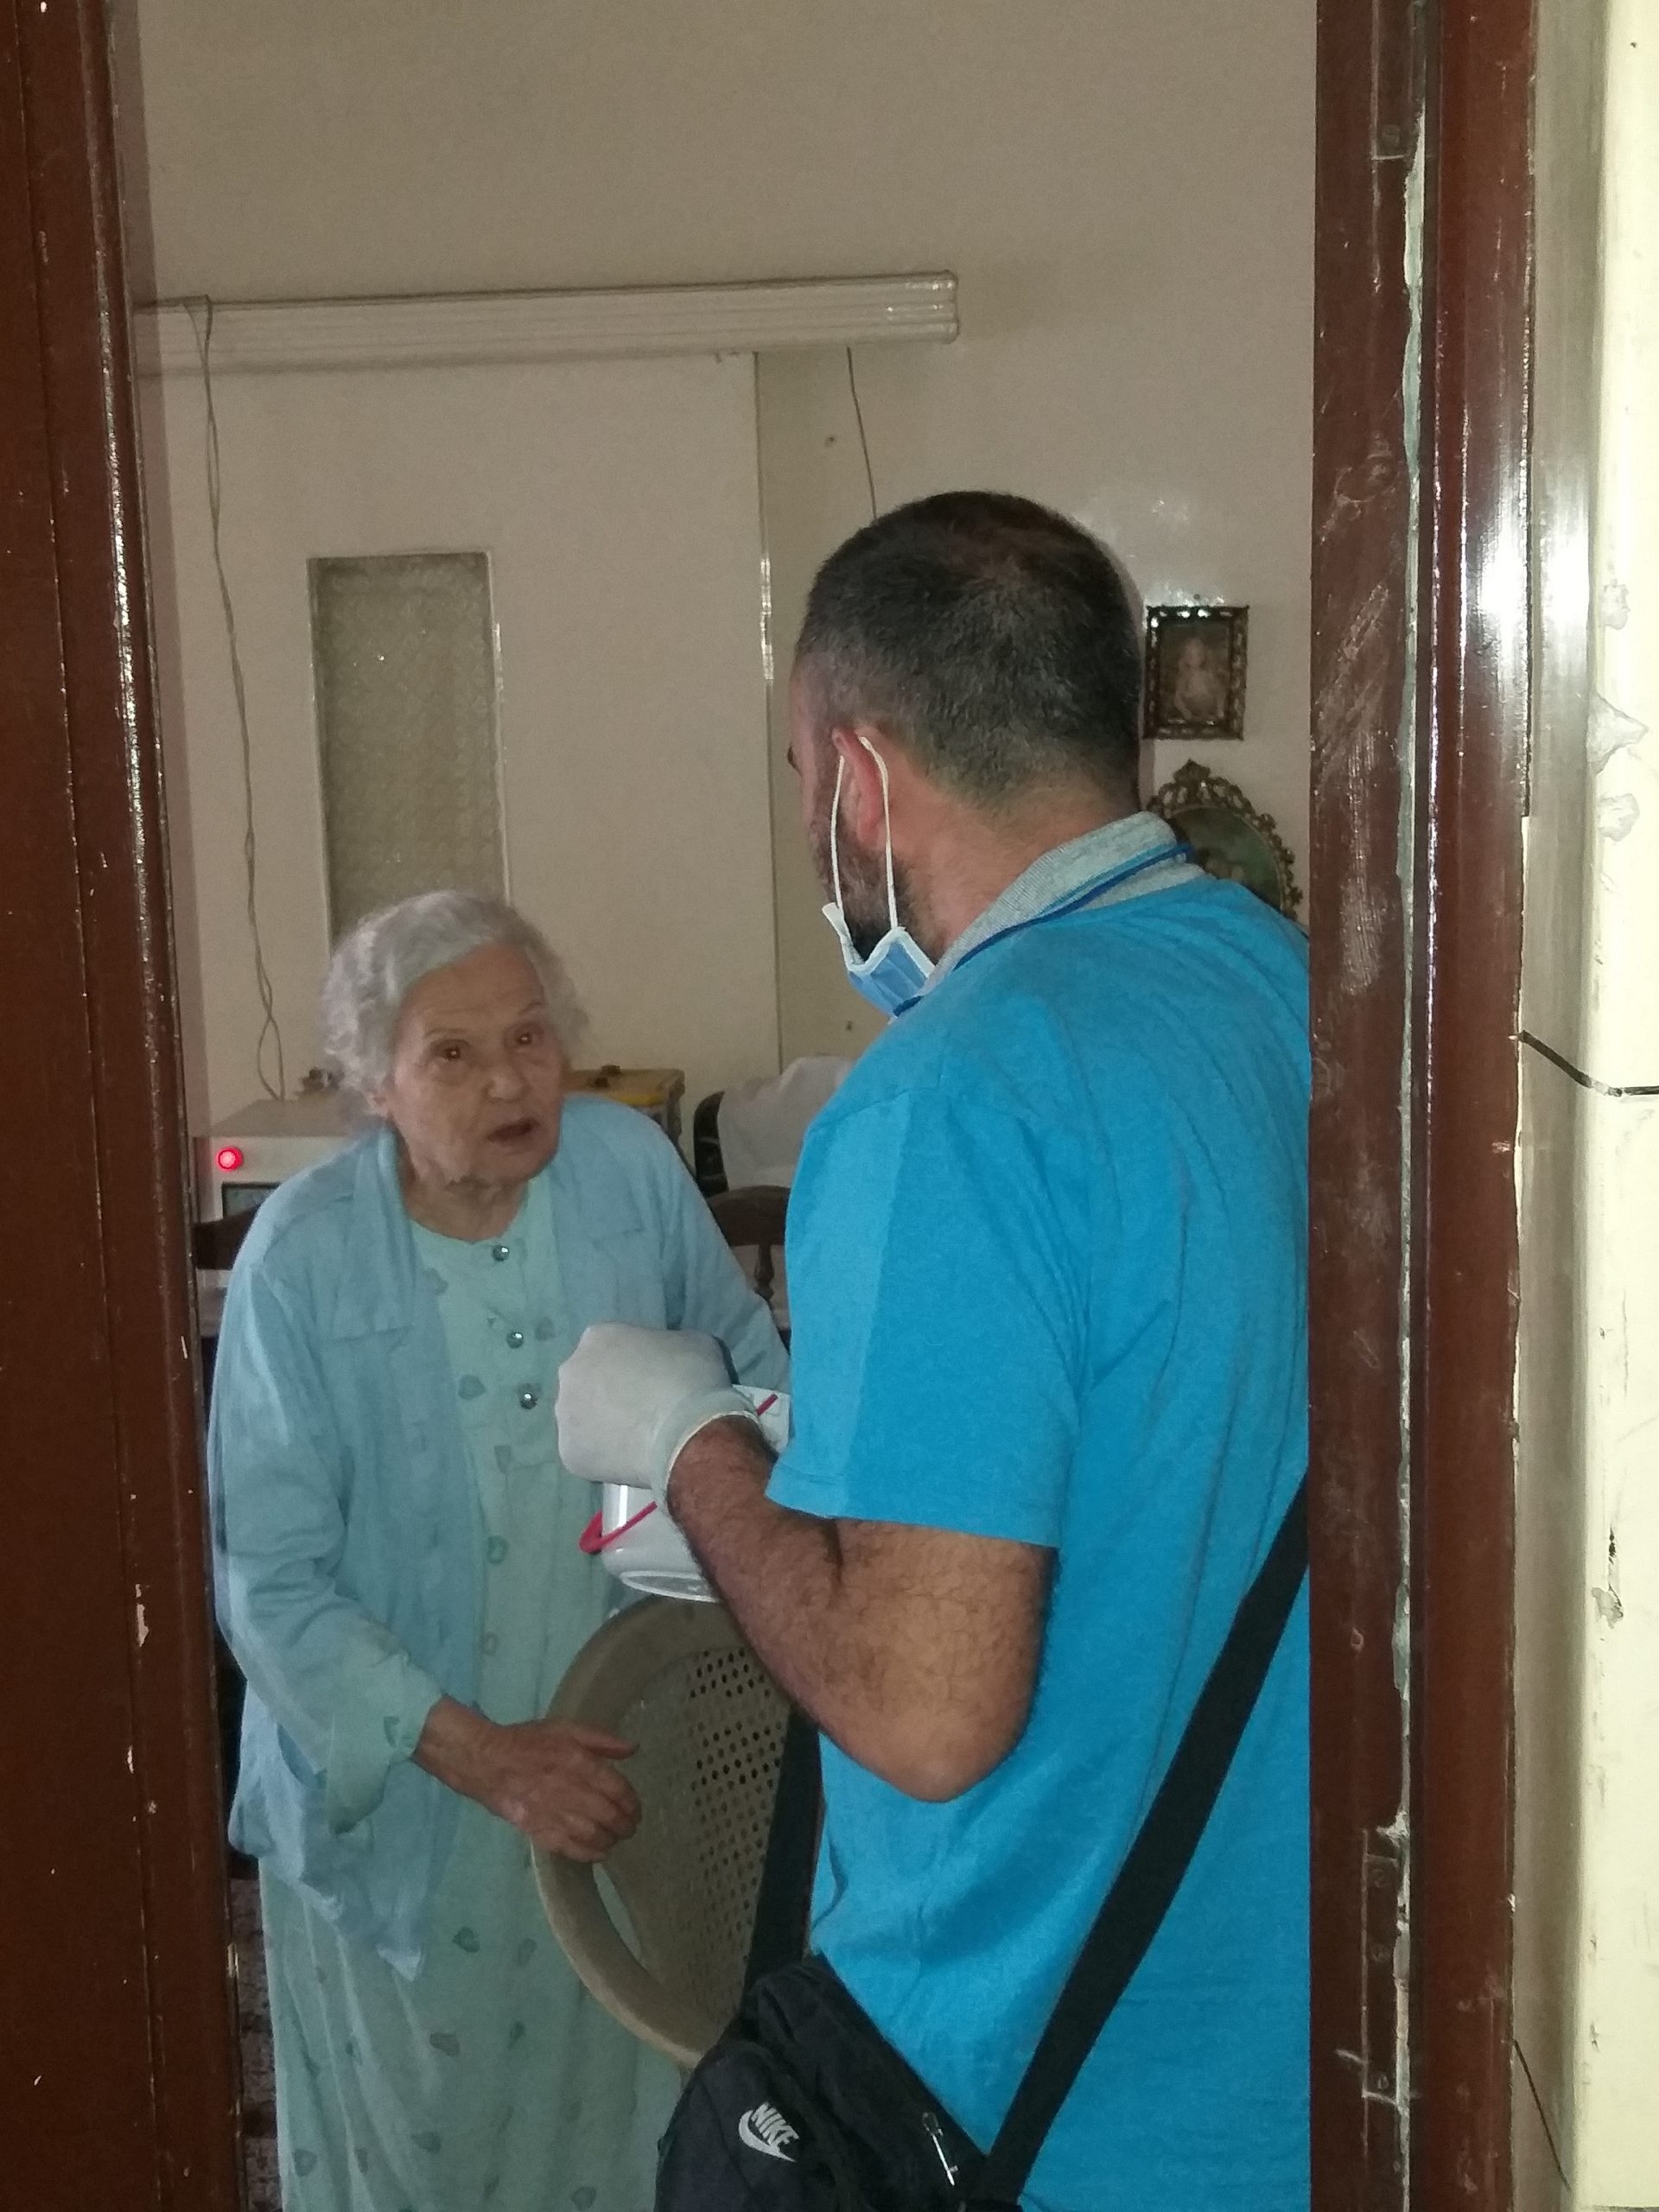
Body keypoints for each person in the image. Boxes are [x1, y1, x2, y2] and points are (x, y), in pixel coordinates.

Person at [556, 493, 1309, 2209]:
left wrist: (690, 1443)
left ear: (860, 780)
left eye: (800, 781)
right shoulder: (1282, 987)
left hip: (1038, 2098)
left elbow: (924, 1708)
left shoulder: (951, 1097)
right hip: (1281, 2042)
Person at [209, 889, 788, 2212]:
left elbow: (751, 1377)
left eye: (531, 1037)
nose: (511, 1081)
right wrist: (491, 1762)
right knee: (429, 2151)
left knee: (631, 2117)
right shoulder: (303, 1260)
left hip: (619, 1763)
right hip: (416, 1798)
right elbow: (269, 1585)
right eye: (454, 1054)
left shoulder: (627, 1171)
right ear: (375, 1084)